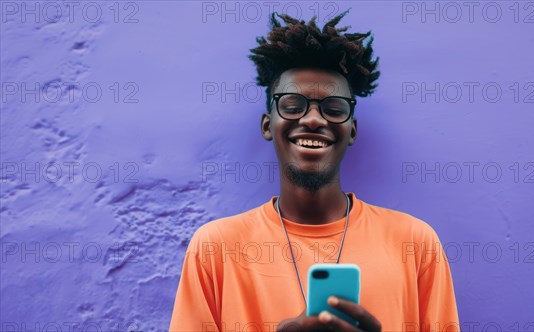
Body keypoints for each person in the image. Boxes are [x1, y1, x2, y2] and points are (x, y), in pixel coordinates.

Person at [170, 10, 459, 332]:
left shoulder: (415, 243)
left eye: (334, 109)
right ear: (269, 125)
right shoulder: (216, 247)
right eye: (292, 106)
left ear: (351, 131)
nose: (313, 119)